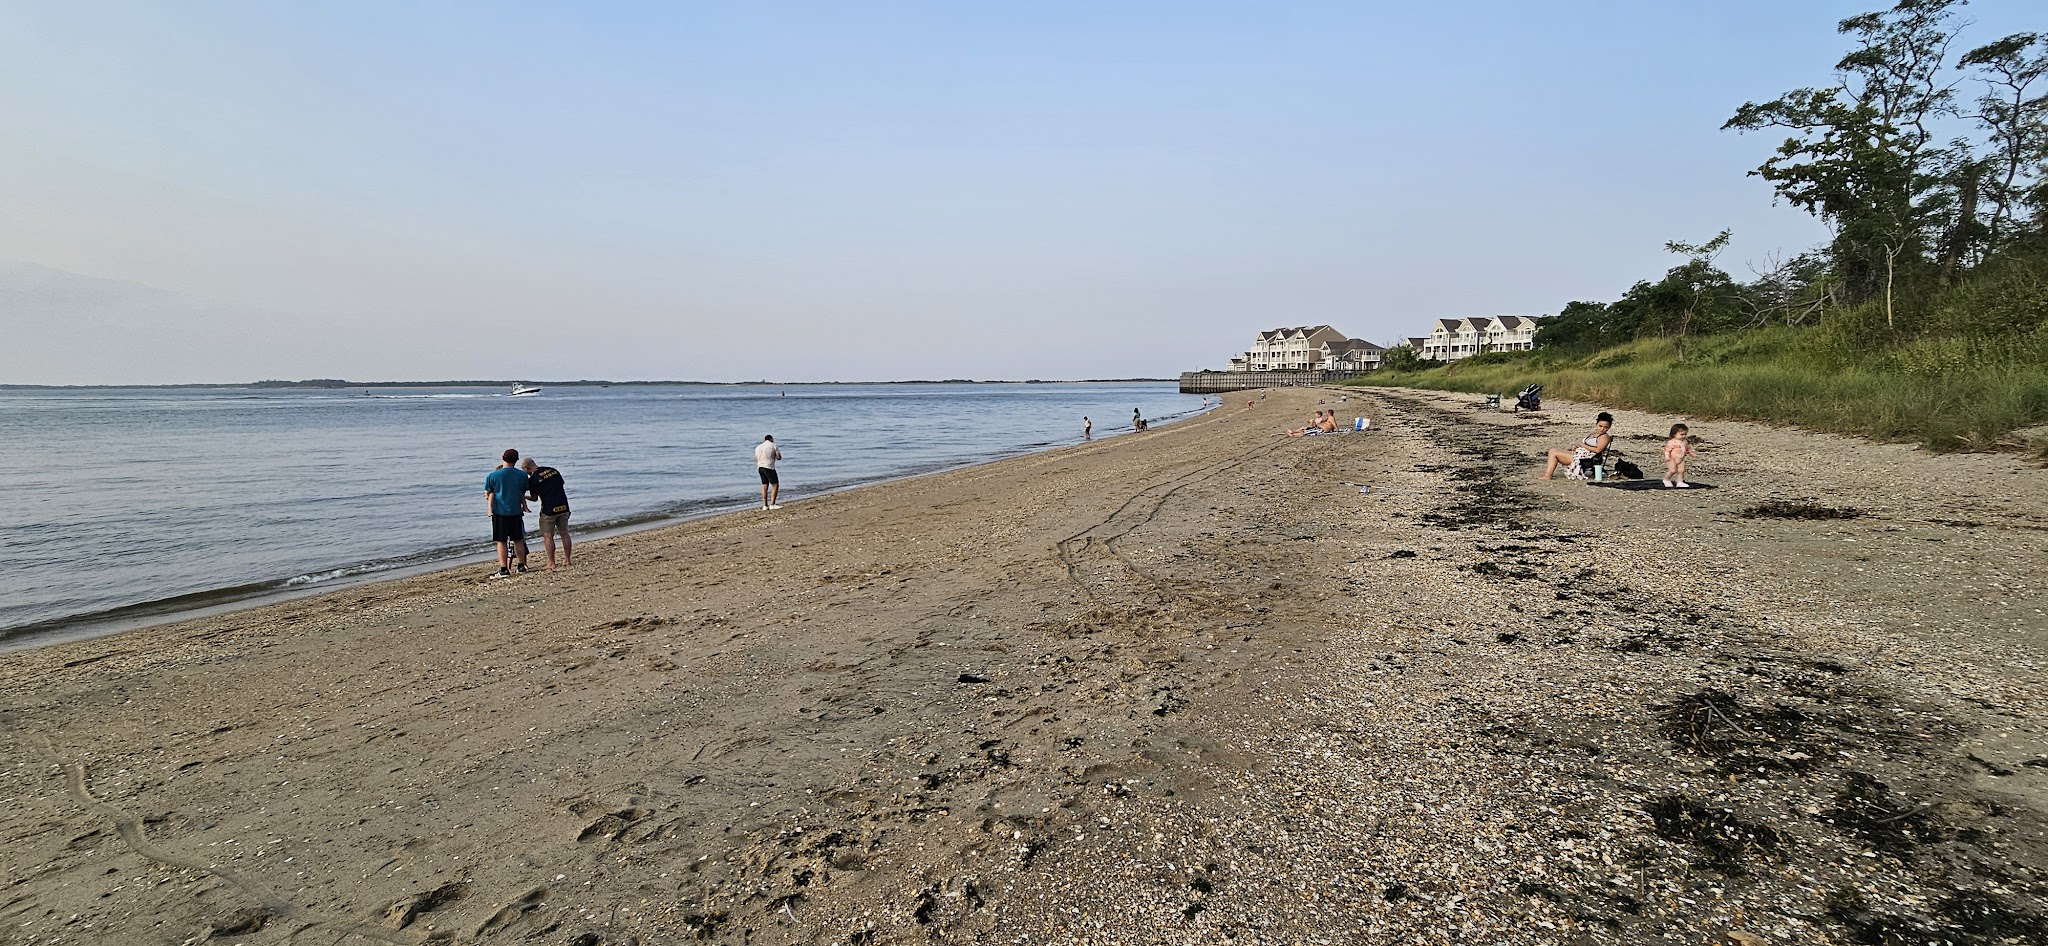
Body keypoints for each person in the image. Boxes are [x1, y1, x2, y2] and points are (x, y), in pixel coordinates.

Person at [520, 457, 573, 568]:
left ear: (527, 468)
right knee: (564, 533)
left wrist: (523, 496)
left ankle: (552, 562)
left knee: (548, 536)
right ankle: (567, 560)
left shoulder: (533, 479)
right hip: (563, 505)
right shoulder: (553, 470)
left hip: (549, 509)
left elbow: (534, 498)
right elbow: (561, 484)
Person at [484, 448, 529, 577]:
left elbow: (488, 493)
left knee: (501, 541)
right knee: (518, 539)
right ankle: (521, 565)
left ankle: (504, 568)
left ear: (503, 458)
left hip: (500, 511)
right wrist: (524, 505)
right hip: (515, 510)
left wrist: (489, 508)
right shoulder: (522, 475)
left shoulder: (493, 476)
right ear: (516, 460)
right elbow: (522, 491)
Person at [1542, 412, 1614, 479]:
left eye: (1605, 427)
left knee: (1554, 453)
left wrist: (1582, 445)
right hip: (1580, 454)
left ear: (1609, 428)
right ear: (1596, 424)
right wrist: (1577, 445)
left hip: (1586, 459)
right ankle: (1547, 473)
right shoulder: (1594, 434)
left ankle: (1548, 475)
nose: (1602, 429)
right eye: (1600, 426)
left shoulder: (1604, 437)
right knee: (1553, 450)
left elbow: (1598, 450)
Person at [1663, 423, 1696, 488]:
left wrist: (1692, 454)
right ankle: (1666, 479)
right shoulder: (1672, 442)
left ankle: (1680, 482)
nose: (1683, 436)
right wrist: (1667, 457)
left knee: (1681, 470)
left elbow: (1687, 449)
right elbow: (1667, 450)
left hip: (1681, 458)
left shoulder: (1685, 442)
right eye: (1681, 434)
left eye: (1685, 434)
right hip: (1672, 458)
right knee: (1672, 470)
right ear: (1674, 434)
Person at [755, 435, 783, 510]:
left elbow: (756, 458)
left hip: (760, 467)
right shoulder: (773, 445)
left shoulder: (758, 447)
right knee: (775, 485)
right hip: (769, 467)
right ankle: (772, 504)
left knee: (764, 485)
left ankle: (765, 505)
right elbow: (779, 457)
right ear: (771, 439)